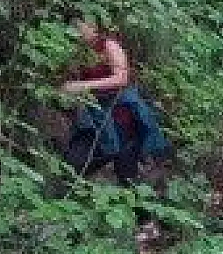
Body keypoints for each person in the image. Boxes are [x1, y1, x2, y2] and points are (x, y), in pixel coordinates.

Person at [61, 19, 169, 185]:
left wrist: (83, 86)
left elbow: (121, 78)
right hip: (97, 114)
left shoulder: (108, 45)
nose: (77, 30)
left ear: (93, 27)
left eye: (80, 26)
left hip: (122, 114)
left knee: (126, 171)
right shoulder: (79, 51)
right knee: (78, 159)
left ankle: (139, 200)